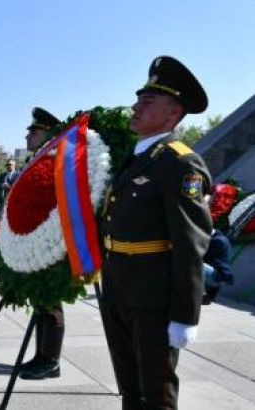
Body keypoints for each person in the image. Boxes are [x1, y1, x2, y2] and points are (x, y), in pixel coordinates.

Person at [99, 56, 213, 410]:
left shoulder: (179, 162)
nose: (135, 107)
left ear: (172, 113)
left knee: (156, 393)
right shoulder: (137, 158)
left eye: (147, 102)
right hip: (119, 289)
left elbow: (191, 242)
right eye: (138, 99)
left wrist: (184, 314)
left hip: (153, 299)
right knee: (130, 390)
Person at [17, 107, 65, 380]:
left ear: (48, 133)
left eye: (34, 130)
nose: (28, 134)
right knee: (40, 302)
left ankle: (51, 359)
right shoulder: (37, 159)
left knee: (51, 301)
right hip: (34, 240)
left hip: (50, 242)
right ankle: (41, 355)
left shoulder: (55, 160)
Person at [202, 228, 234, 304]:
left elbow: (203, 256)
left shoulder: (218, 240)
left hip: (216, 277)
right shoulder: (218, 238)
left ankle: (204, 294)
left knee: (197, 264)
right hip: (216, 275)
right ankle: (208, 294)